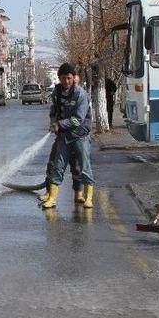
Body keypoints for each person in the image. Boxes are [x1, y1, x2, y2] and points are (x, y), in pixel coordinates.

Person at [39, 63, 95, 209]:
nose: (66, 81)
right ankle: (52, 197)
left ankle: (87, 197)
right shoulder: (56, 93)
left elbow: (78, 119)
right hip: (64, 136)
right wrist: (53, 122)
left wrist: (60, 125)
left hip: (80, 135)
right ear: (59, 78)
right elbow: (54, 111)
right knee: (57, 165)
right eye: (63, 78)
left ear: (74, 78)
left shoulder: (80, 94)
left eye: (69, 78)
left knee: (83, 165)